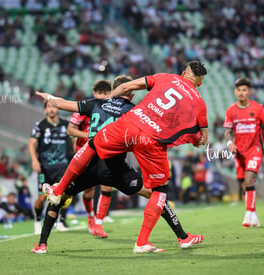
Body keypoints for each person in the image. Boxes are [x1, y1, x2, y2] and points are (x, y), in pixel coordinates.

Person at [41, 61, 209, 253]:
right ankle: (144, 242)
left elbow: (126, 86)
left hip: (129, 126)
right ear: (200, 83)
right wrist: (196, 139)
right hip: (151, 142)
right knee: (159, 191)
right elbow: (202, 138)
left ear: (182, 72)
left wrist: (108, 101)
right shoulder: (199, 103)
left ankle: (58, 194)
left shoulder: (165, 77)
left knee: (92, 143)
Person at [224, 78, 264, 228]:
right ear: (235, 92)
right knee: (244, 184)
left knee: (249, 180)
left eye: (244, 90)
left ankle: (248, 214)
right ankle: (253, 214)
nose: (241, 93)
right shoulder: (231, 111)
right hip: (239, 153)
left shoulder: (258, 108)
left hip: (254, 150)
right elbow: (228, 132)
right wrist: (229, 142)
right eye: (239, 90)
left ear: (249, 92)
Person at [67, 80, 113, 237]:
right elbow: (70, 130)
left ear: (111, 94)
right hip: (85, 152)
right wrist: (90, 136)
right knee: (88, 192)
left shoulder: (114, 109)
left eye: (106, 93)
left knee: (107, 187)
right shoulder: (86, 107)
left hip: (105, 153)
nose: (102, 96)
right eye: (100, 93)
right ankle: (90, 217)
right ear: (94, 94)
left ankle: (99, 224)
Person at [28, 100, 74, 234]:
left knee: (63, 194)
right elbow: (31, 143)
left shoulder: (66, 125)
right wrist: (34, 160)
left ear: (58, 109)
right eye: (49, 107)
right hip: (45, 167)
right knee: (41, 198)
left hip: (62, 166)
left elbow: (73, 140)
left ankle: (60, 221)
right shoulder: (40, 125)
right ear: (45, 110)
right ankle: (37, 220)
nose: (51, 109)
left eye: (54, 106)